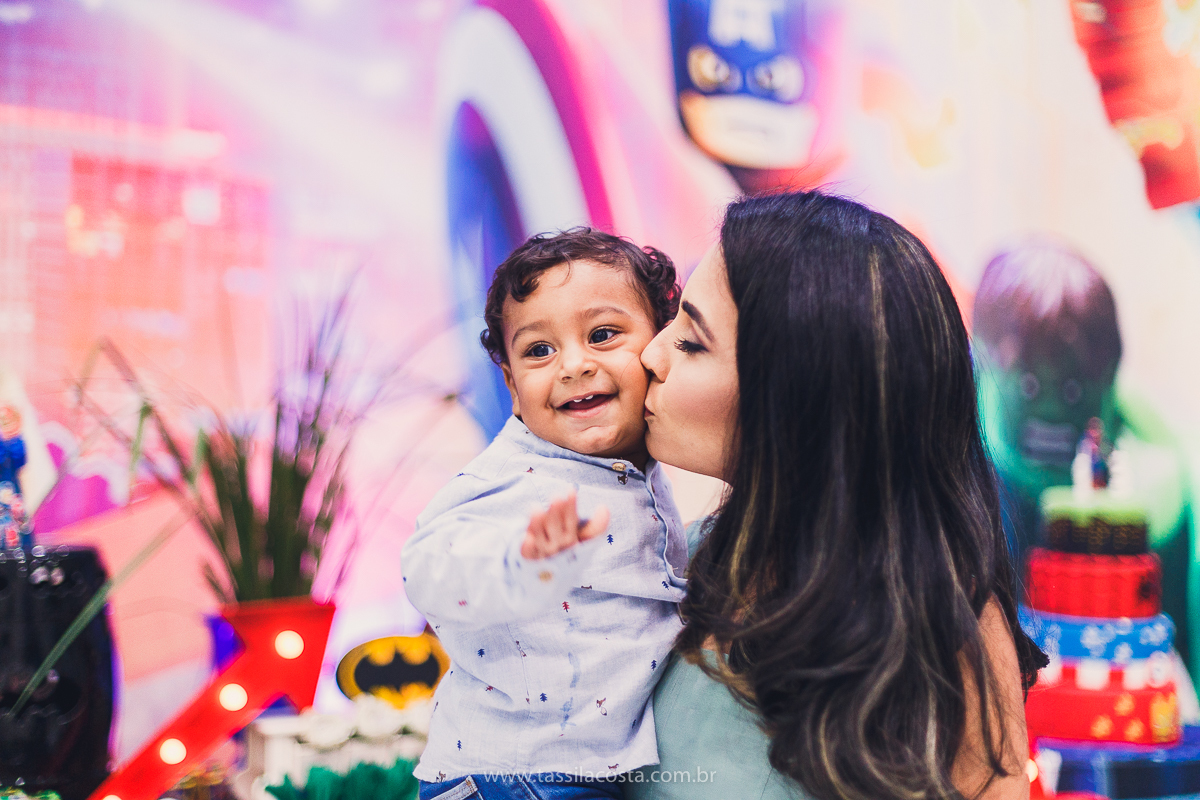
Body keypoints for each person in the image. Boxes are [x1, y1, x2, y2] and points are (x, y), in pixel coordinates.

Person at [627, 191, 1046, 800]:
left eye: (691, 342)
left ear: (795, 397)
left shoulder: (946, 639)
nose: (650, 353)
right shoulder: (693, 558)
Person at [401, 229, 691, 800]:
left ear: (660, 348)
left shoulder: (636, 465)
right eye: (538, 350)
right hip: (514, 776)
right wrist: (521, 565)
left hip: (582, 771)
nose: (573, 365)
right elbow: (427, 568)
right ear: (511, 385)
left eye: (603, 335)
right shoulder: (512, 477)